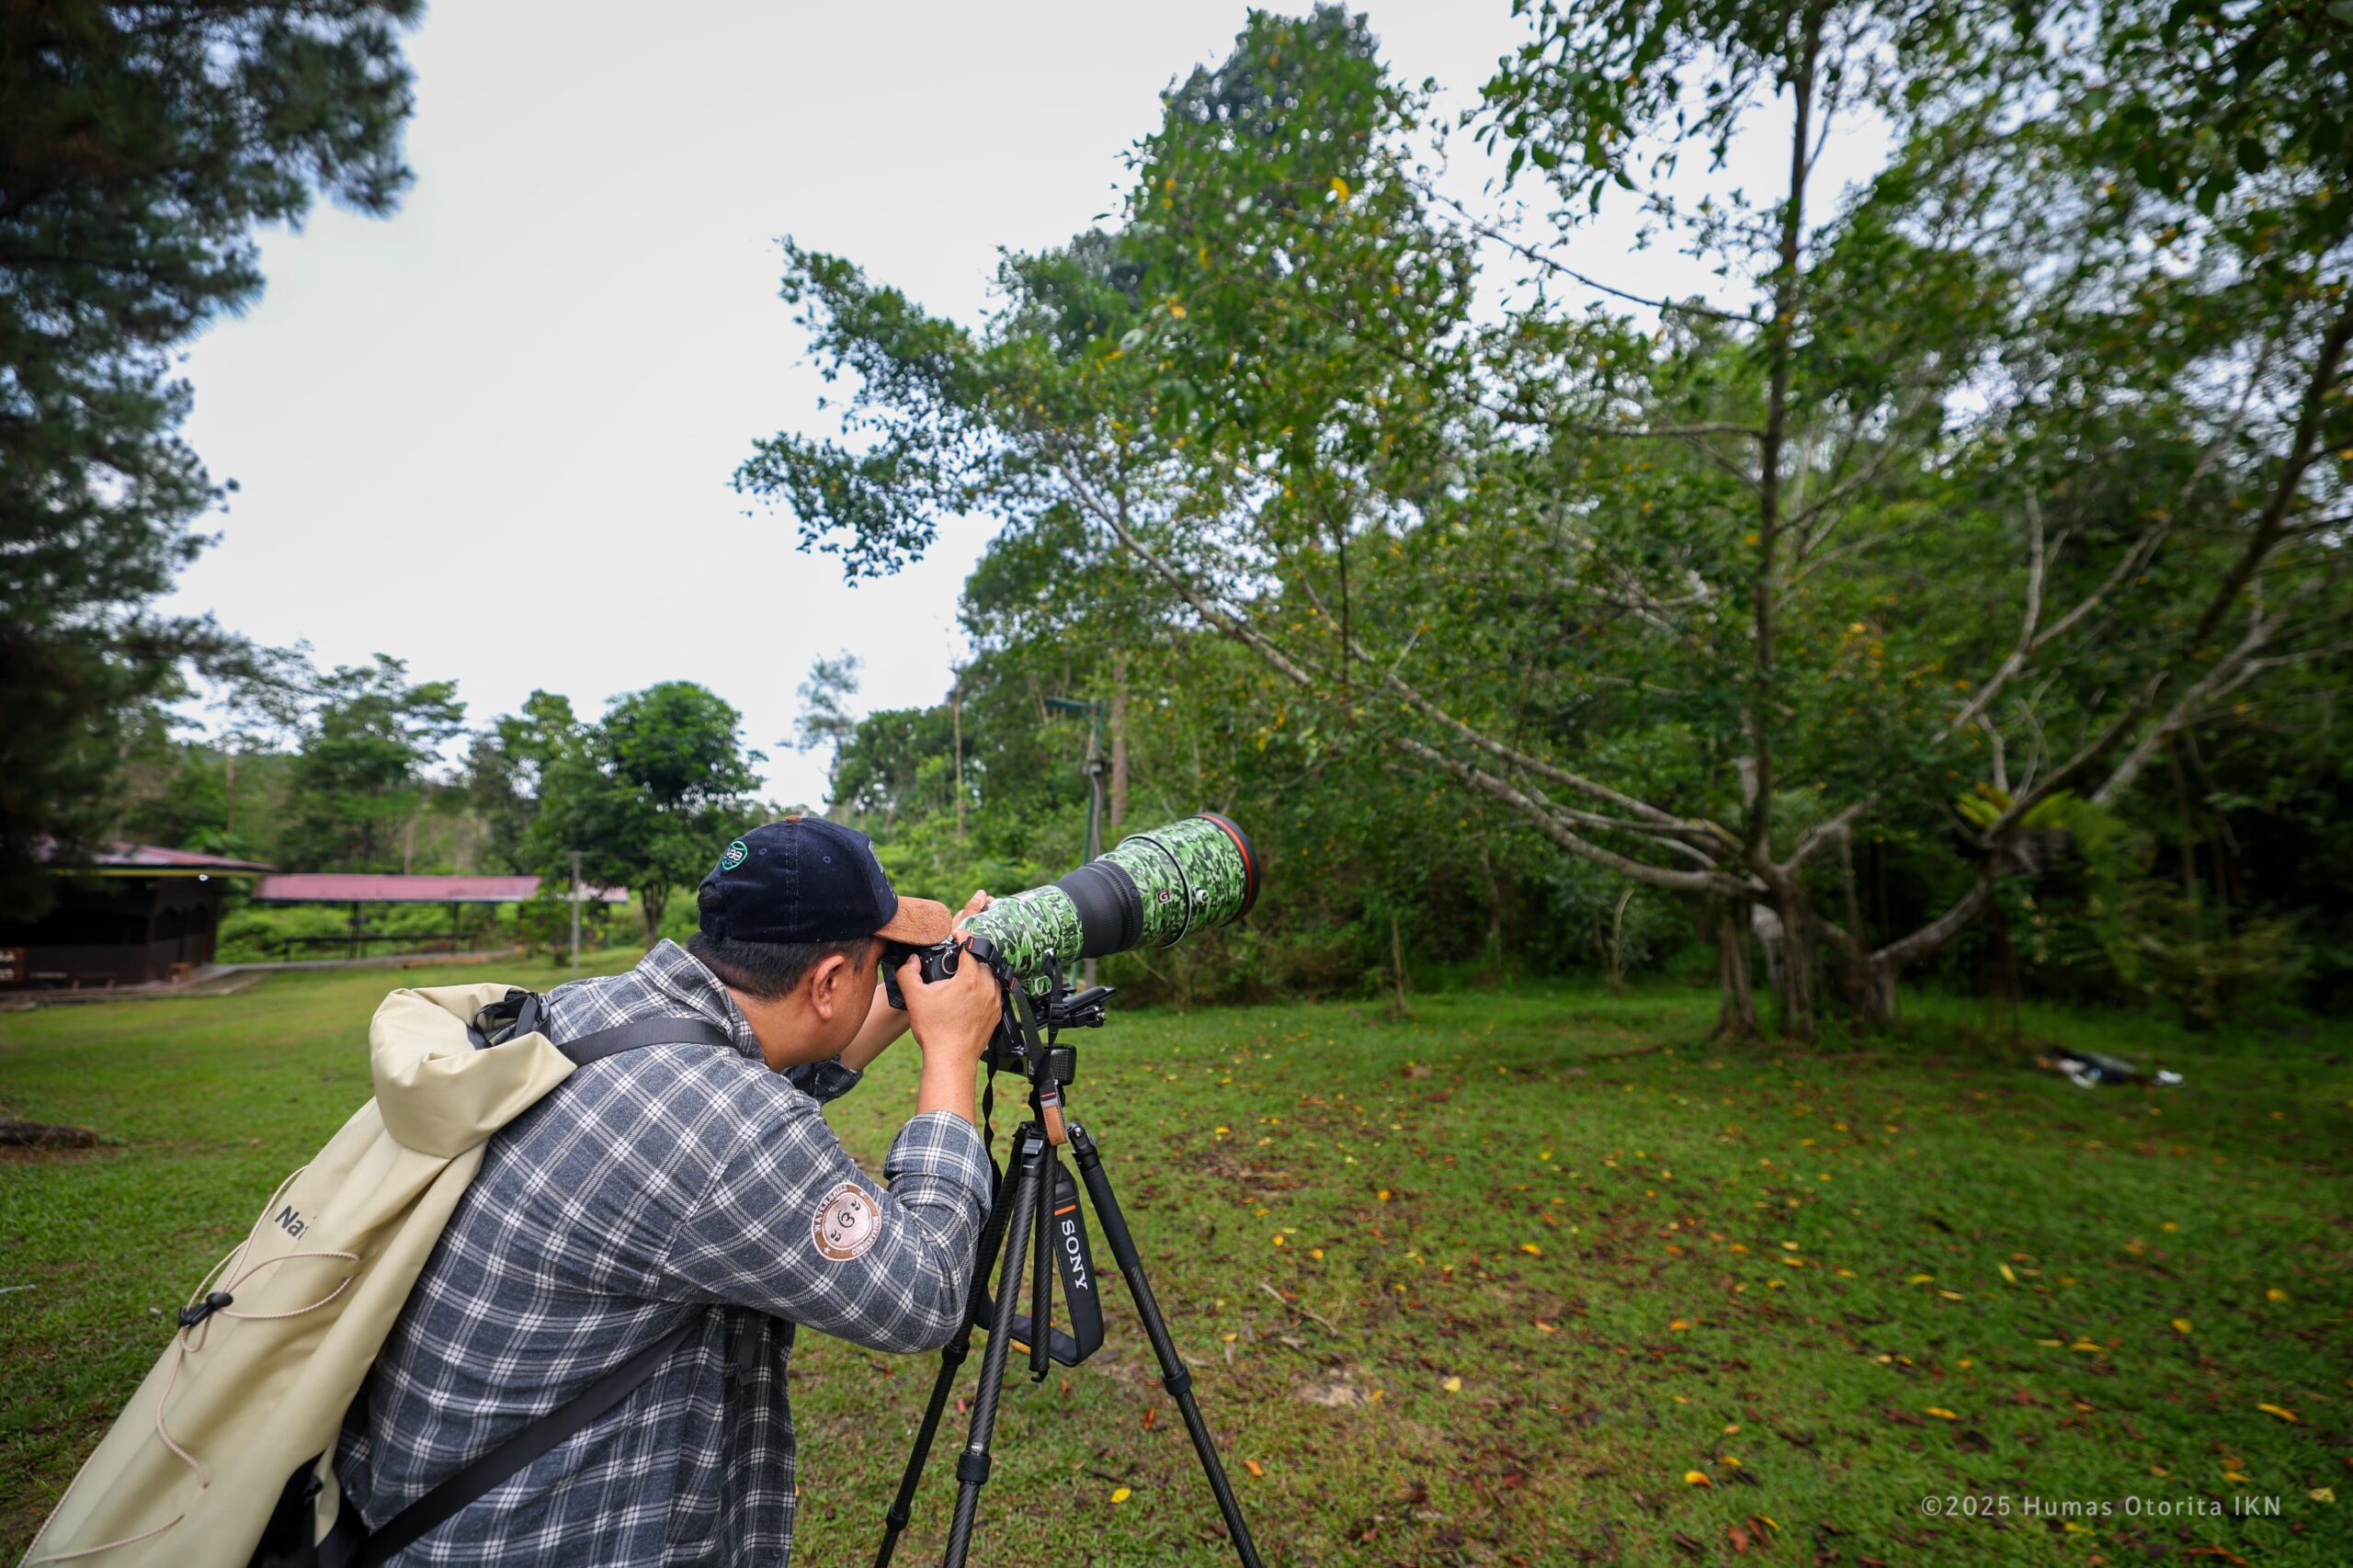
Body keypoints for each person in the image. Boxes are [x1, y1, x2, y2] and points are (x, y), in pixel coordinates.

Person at [333, 815, 1001, 1565]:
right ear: (827, 983)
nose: (888, 975)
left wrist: (917, 997)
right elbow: (927, 1295)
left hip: (404, 1503)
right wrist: (952, 1050)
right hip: (528, 1539)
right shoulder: (731, 1132)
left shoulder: (590, 1009)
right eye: (880, 963)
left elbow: (766, 1061)